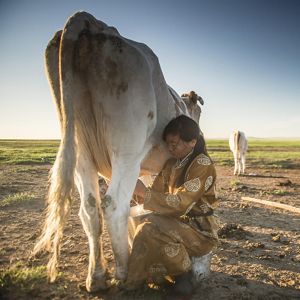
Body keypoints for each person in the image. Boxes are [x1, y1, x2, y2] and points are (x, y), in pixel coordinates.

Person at [124, 115, 219, 298]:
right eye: (168, 144)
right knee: (139, 222)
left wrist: (144, 193)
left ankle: (184, 276)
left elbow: (181, 203)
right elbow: (155, 193)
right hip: (175, 225)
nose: (170, 148)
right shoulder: (171, 164)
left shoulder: (202, 164)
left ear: (192, 142)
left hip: (199, 232)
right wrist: (126, 192)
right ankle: (136, 281)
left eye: (174, 144)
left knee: (150, 226)